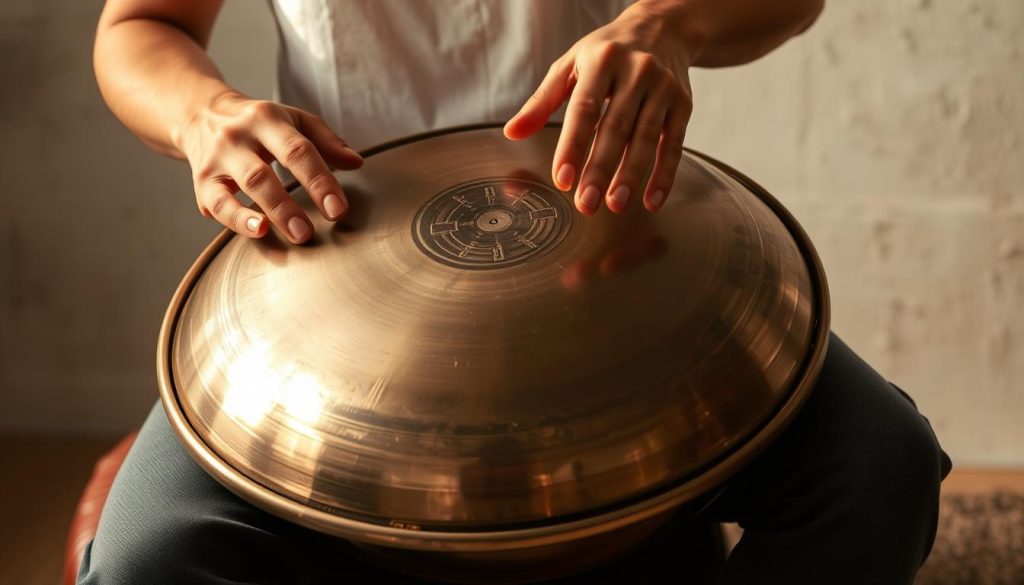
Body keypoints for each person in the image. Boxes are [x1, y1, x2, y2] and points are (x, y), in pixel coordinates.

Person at [86, 1, 952, 583]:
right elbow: (139, 23)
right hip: (329, 264)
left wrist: (669, 23)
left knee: (879, 464)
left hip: (612, 245)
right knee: (145, 558)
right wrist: (201, 113)